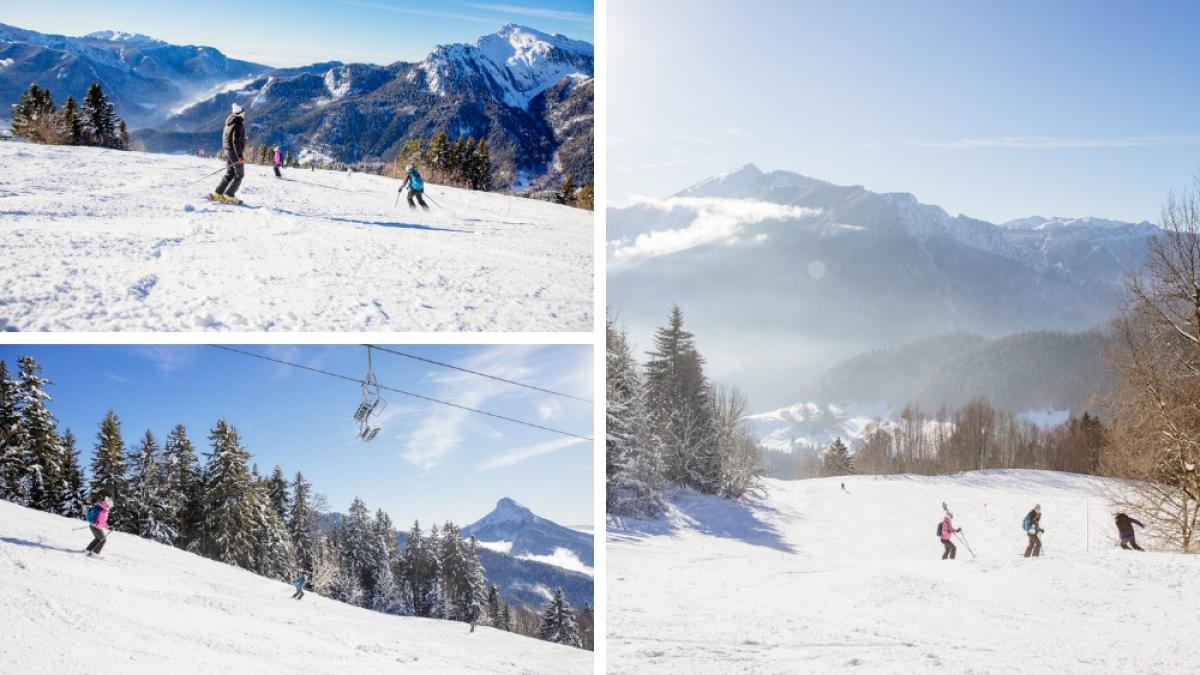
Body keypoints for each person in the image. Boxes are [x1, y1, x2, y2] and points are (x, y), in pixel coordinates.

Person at [211, 103, 246, 204]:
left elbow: (230, 138)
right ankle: (229, 195)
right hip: (234, 153)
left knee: (230, 173)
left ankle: (218, 194)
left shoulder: (229, 122)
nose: (244, 114)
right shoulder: (238, 124)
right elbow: (235, 142)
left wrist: (243, 140)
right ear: (240, 114)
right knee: (240, 174)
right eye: (243, 112)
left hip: (228, 151)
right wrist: (239, 156)